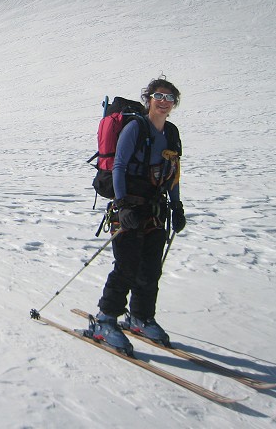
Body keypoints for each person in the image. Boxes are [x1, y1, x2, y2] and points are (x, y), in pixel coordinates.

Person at [90, 77, 186, 352]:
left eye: (169, 98)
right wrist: (122, 205)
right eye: (159, 96)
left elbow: (174, 172)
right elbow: (119, 166)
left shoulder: (172, 133)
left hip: (156, 207)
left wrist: (177, 206)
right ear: (149, 99)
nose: (163, 102)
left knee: (151, 267)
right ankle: (105, 320)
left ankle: (141, 317)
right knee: (126, 266)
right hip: (130, 205)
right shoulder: (135, 127)